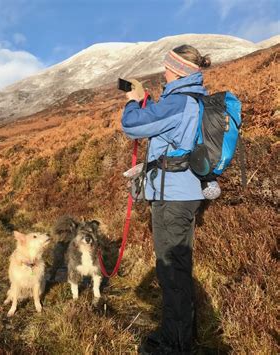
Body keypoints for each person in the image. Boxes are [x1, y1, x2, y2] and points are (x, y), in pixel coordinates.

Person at [121, 45, 211, 354]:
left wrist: (133, 102)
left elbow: (131, 125)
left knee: (171, 270)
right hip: (179, 192)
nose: (163, 71)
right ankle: (182, 333)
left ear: (178, 71)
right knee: (177, 268)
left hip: (173, 196)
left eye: (167, 67)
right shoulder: (189, 100)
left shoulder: (179, 102)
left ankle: (175, 344)